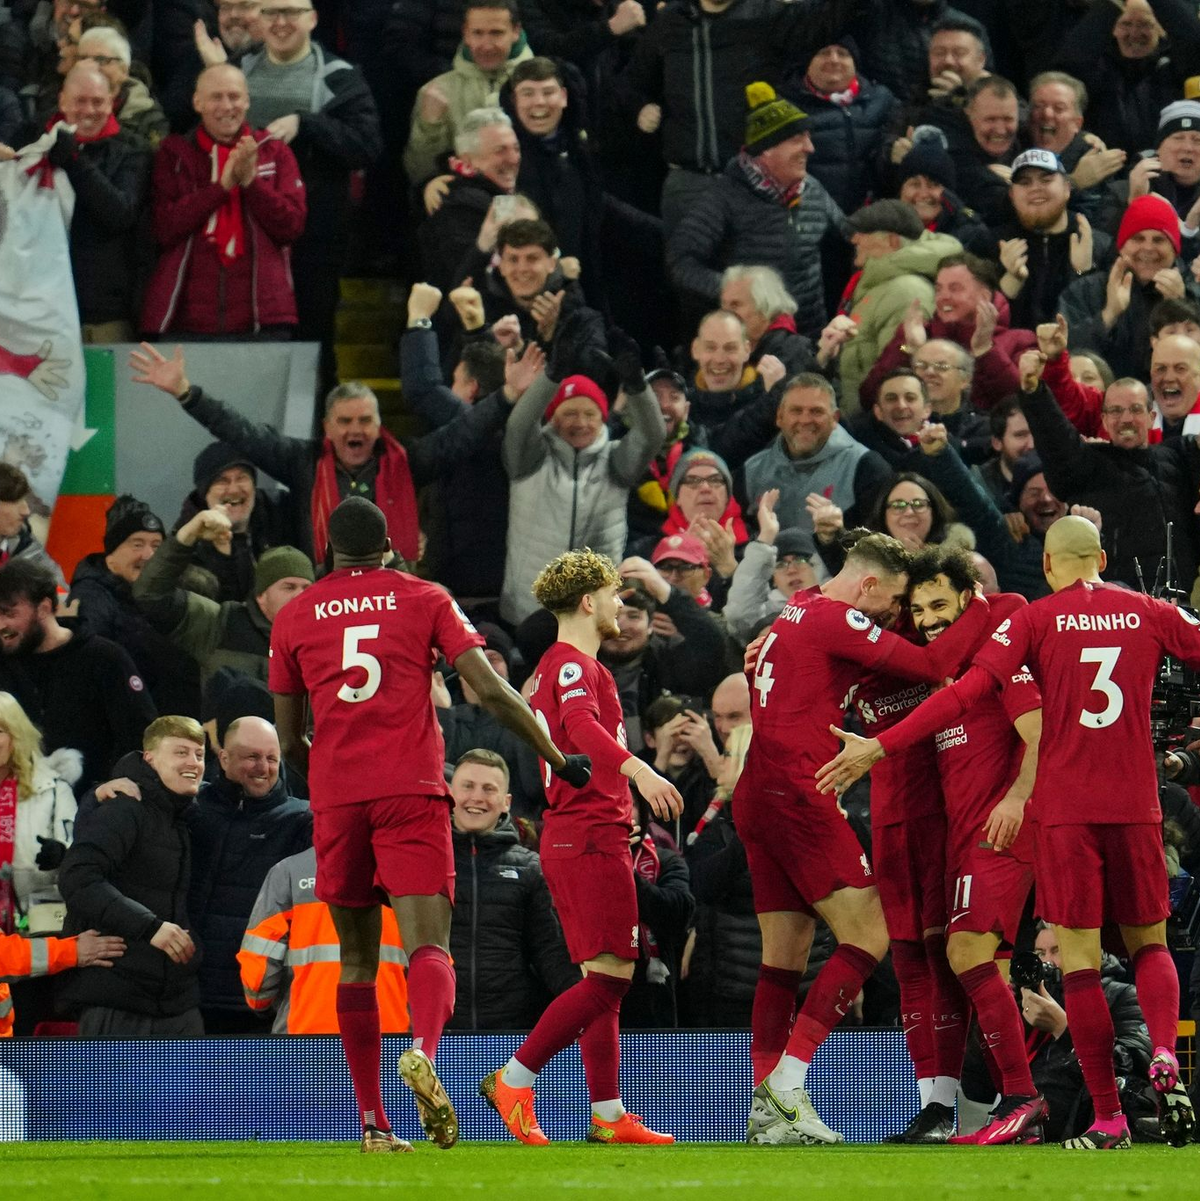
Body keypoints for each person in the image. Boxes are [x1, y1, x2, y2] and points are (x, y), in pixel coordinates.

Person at [817, 514, 1200, 1149]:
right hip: (1136, 804)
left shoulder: (1032, 619)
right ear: (1102, 556)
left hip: (1063, 813)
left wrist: (878, 748)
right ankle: (1163, 1051)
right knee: (1151, 945)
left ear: (1047, 565)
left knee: (1077, 965)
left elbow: (965, 693)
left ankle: (1103, 1117)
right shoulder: (1148, 612)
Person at [269, 496, 588, 1153]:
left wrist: (329, 779)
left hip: (338, 799)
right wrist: (558, 756)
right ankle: (423, 1049)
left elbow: (287, 734)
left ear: (328, 551)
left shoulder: (295, 613)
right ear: (388, 546)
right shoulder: (424, 597)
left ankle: (374, 1124)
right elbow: (492, 691)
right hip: (410, 788)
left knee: (357, 960)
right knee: (428, 945)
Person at [738, 530, 995, 1145]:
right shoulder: (837, 619)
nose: (894, 616)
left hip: (755, 793)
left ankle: (765, 1110)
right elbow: (934, 665)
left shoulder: (791, 611)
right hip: (801, 791)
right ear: (870, 584)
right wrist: (983, 608)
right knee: (871, 930)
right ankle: (790, 1083)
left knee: (784, 959)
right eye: (893, 601)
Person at [480, 548, 681, 1146]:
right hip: (590, 833)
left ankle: (609, 1115)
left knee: (604, 977)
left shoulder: (551, 666)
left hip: (576, 834)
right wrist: (638, 771)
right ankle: (515, 1078)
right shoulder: (574, 666)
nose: (622, 605)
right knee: (611, 980)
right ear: (589, 601)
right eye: (616, 594)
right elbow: (582, 727)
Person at [895, 548, 1046, 1145]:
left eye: (940, 603)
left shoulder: (999, 658)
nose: (929, 618)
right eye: (919, 608)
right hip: (963, 836)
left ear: (967, 596)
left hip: (1002, 829)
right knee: (967, 965)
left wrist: (1015, 800)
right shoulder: (944, 667)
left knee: (967, 957)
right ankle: (1012, 1107)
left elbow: (1039, 735)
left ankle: (1023, 1097)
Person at [130, 342, 524, 565]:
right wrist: (187, 393)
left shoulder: (407, 461)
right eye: (345, 421)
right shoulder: (300, 463)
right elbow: (241, 431)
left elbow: (463, 434)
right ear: (327, 428)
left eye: (365, 421)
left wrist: (506, 397)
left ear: (378, 424)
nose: (356, 430)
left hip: (395, 597)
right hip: (325, 602)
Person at [57, 715, 206, 1037]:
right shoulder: (125, 808)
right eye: (181, 752)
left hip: (177, 1001)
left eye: (199, 754)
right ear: (149, 758)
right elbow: (77, 877)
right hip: (117, 998)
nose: (193, 761)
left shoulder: (184, 815)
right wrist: (150, 927)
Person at [668, 83, 848, 339]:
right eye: (797, 139)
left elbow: (849, 235)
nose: (810, 148)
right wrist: (737, 293)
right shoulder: (723, 198)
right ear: (766, 149)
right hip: (751, 342)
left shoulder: (812, 189)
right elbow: (682, 263)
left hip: (808, 336)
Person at [499, 349, 665, 626]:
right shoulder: (531, 459)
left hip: (593, 613)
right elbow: (518, 425)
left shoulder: (616, 461)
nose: (581, 422)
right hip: (529, 612)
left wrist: (637, 384)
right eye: (570, 413)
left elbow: (652, 435)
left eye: (590, 413)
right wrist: (550, 377)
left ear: (602, 418)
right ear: (553, 417)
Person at [140, 64, 307, 339]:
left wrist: (251, 182)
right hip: (187, 319)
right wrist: (222, 187)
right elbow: (164, 227)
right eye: (216, 97)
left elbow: (291, 225)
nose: (227, 106)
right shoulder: (175, 153)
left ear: (247, 101)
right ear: (198, 102)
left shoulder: (274, 151)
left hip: (263, 318)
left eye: (234, 96)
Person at [188, 715, 312, 1033]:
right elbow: (145, 788)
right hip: (189, 995)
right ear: (224, 758)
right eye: (252, 757)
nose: (263, 767)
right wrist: (125, 777)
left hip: (260, 1000)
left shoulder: (300, 820)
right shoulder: (191, 807)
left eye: (272, 758)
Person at [446, 749, 579, 1029]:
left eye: (488, 789)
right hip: (435, 1029)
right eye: (467, 786)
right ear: (449, 793)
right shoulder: (426, 862)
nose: (477, 798)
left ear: (506, 802)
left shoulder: (531, 868)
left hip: (511, 1033)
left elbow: (549, 951)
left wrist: (583, 1010)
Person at [0, 560, 156, 793]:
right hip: (14, 810)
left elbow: (142, 738)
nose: (1, 624)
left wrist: (108, 794)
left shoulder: (104, 658)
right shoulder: (4, 661)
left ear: (43, 608)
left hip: (92, 809)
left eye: (9, 613)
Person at [238, 844, 409, 1035]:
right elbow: (432, 965)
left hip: (304, 1030)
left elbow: (259, 970)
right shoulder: (408, 874)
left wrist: (260, 1003)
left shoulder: (290, 872)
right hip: (389, 1031)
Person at [134, 511, 313, 687]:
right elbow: (150, 595)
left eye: (307, 588)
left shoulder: (322, 635)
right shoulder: (220, 624)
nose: (300, 596)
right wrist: (186, 536)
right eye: (289, 587)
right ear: (261, 595)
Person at [45, 60, 151, 342]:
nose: (89, 111)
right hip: (43, 308)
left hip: (104, 314)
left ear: (111, 103)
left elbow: (120, 213)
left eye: (98, 102)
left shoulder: (133, 150)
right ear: (63, 101)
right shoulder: (36, 143)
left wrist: (73, 160)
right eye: (80, 101)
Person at [68, 495, 200, 718]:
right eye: (137, 544)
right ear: (111, 558)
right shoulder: (91, 598)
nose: (148, 555)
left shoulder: (175, 592)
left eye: (156, 546)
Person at [837, 199, 963, 411]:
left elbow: (898, 368)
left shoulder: (907, 291)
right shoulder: (878, 284)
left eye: (864, 233)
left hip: (875, 418)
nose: (854, 239)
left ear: (893, 241)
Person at [1060, 193, 1200, 382]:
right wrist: (1108, 315)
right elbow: (1062, 354)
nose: (1148, 248)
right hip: (1103, 405)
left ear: (1174, 249)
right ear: (1122, 246)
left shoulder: (1194, 291)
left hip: (1173, 403)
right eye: (1138, 238)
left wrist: (1181, 307)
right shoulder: (1087, 289)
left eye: (1159, 240)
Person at [742, 374, 892, 538]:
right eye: (796, 410)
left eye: (816, 411)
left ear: (834, 419)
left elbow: (878, 546)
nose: (805, 420)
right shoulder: (752, 470)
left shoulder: (866, 466)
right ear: (779, 417)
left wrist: (836, 535)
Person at [403, 0, 531, 185]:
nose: (486, 45)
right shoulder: (436, 92)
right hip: (468, 206)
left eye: (496, 33)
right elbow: (420, 173)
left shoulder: (545, 86)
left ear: (516, 32)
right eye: (478, 33)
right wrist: (429, 128)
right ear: (465, 34)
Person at [988, 149, 1109, 330]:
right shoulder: (991, 244)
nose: (1036, 188)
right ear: (1012, 195)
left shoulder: (1100, 246)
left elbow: (1108, 324)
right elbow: (982, 326)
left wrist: (1082, 274)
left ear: (1067, 188)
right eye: (1024, 182)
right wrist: (1009, 283)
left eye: (1046, 180)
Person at [780, 37, 898, 214]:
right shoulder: (783, 105)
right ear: (807, 63)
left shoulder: (882, 100)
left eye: (843, 54)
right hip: (808, 218)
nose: (834, 60)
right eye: (823, 53)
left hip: (870, 218)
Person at [725, 493, 819, 645]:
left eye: (800, 560)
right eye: (781, 564)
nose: (791, 570)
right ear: (773, 579)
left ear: (817, 567)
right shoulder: (765, 614)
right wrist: (765, 539)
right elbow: (739, 615)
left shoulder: (841, 604)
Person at [76, 24, 168, 148]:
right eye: (83, 59)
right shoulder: (62, 106)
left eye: (101, 59)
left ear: (124, 70)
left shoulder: (149, 118)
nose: (90, 67)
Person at [720, 265, 814, 376]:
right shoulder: (720, 349)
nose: (724, 314)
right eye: (723, 305)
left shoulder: (793, 351)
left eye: (735, 305)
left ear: (765, 307)